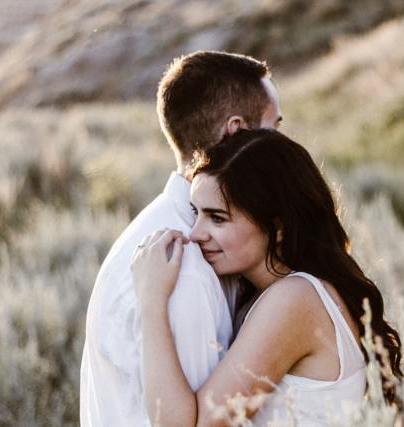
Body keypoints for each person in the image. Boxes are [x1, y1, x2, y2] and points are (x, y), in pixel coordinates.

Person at [131, 129, 404, 426]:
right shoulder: (290, 292)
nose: (196, 233)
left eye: (218, 218)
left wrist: (152, 300)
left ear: (279, 226)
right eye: (196, 212)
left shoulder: (295, 300)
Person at [79, 51, 282, 427]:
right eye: (274, 129)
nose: (283, 146)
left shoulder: (199, 241)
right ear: (235, 131)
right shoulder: (182, 265)